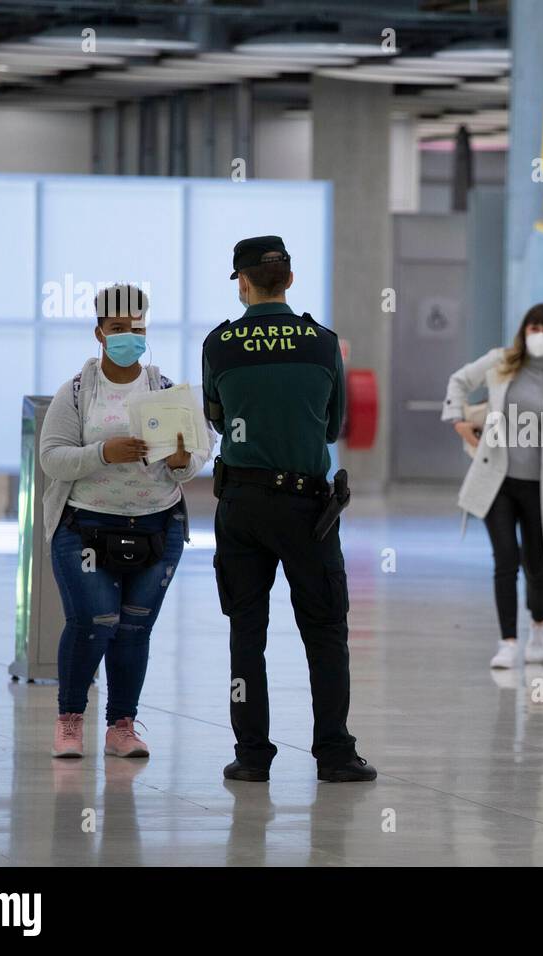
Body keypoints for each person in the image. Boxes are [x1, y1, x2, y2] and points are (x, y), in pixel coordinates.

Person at [202, 236, 375, 785]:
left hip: (242, 506)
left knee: (246, 630)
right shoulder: (323, 344)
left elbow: (214, 415)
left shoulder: (221, 344)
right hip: (308, 510)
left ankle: (252, 754)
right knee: (325, 631)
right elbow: (333, 425)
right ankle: (334, 754)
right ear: (290, 280)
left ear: (244, 283)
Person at [40, 284, 211, 759]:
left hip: (157, 527)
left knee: (135, 627)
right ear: (99, 333)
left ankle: (122, 726)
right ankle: (70, 719)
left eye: (137, 329)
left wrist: (180, 459)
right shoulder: (75, 392)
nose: (129, 337)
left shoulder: (164, 391)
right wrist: (102, 453)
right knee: (94, 621)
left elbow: (198, 453)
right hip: (85, 528)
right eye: (118, 329)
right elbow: (51, 458)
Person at [442, 305, 543, 669]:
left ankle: (539, 625)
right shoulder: (500, 362)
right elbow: (459, 380)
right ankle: (507, 641)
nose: (540, 334)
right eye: (534, 327)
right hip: (499, 482)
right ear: (524, 330)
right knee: (504, 560)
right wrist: (458, 420)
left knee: (537, 564)